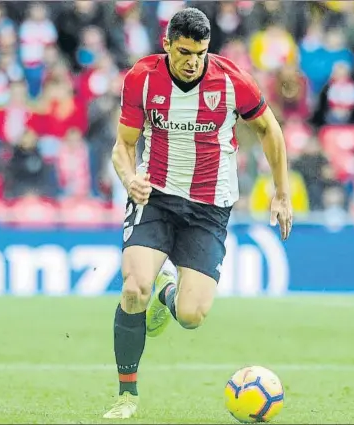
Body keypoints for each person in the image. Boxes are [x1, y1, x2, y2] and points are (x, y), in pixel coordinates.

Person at [103, 7, 293, 419]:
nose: (192, 62)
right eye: (184, 52)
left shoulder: (230, 79)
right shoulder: (142, 77)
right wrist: (129, 177)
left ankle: (168, 295)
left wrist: (281, 192)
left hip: (209, 207)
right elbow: (123, 145)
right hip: (154, 195)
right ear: (167, 44)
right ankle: (126, 396)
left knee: (191, 316)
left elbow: (270, 129)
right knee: (134, 287)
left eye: (200, 53)